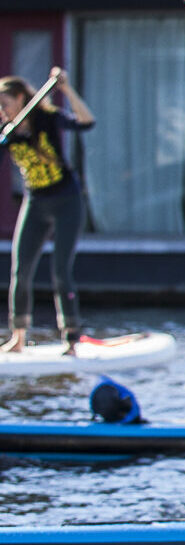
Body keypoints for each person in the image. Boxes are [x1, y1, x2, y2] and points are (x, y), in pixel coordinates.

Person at [2, 68, 95, 356]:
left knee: (60, 271)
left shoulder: (46, 117)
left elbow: (86, 122)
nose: (1, 111)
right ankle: (18, 336)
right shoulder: (8, 132)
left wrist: (66, 90)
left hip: (67, 200)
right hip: (36, 202)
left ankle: (72, 337)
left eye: (4, 104)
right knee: (21, 269)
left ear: (20, 99)